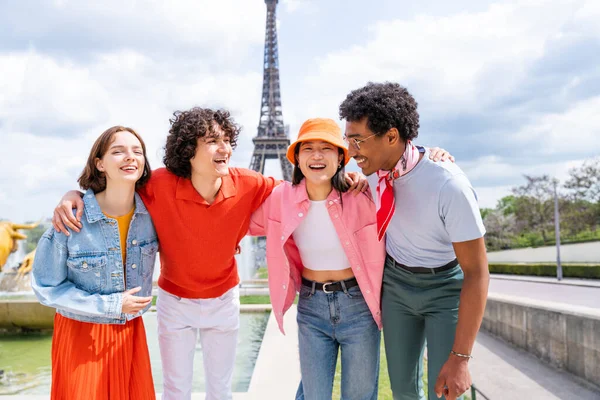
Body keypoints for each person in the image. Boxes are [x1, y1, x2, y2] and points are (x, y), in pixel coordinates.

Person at [50, 108, 368, 400]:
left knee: (220, 390)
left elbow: (301, 189)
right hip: (175, 302)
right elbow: (115, 187)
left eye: (227, 141)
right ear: (189, 150)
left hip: (223, 300)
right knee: (176, 389)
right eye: (213, 141)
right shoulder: (157, 184)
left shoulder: (248, 182)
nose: (225, 148)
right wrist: (74, 194)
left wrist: (345, 178)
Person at [248, 118, 454, 400]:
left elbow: (403, 169)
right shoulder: (280, 198)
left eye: (326, 148)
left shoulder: (363, 193)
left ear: (341, 157)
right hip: (311, 306)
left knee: (359, 395)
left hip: (358, 306)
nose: (317, 155)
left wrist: (430, 153)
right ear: (296, 157)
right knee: (314, 395)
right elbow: (240, 219)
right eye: (308, 148)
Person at [339, 82, 489, 400]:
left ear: (391, 136)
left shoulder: (449, 185)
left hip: (445, 289)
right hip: (396, 286)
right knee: (404, 391)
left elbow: (476, 272)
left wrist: (461, 358)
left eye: (357, 141)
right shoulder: (372, 170)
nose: (351, 152)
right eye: (347, 139)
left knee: (445, 391)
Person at [32, 126, 158, 400]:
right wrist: (111, 305)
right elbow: (46, 287)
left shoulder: (152, 215)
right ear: (99, 163)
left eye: (137, 151)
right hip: (81, 335)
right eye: (118, 151)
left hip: (129, 332)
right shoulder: (71, 219)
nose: (130, 157)